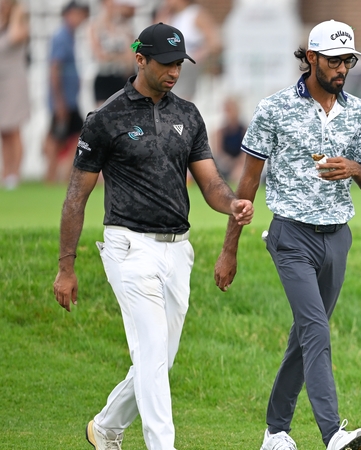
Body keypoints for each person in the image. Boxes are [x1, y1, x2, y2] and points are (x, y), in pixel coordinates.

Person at [52, 22, 254, 450]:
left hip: (178, 250)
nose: (174, 72)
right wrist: (65, 267)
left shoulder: (188, 115)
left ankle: (105, 426)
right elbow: (76, 198)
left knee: (160, 357)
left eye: (179, 63)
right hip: (129, 248)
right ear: (140, 59)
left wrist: (232, 204)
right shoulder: (107, 119)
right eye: (165, 63)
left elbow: (211, 183)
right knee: (150, 353)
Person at [213, 19, 361, 450]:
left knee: (306, 335)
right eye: (333, 60)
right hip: (290, 236)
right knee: (315, 331)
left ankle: (275, 432)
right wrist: (228, 250)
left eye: (347, 60)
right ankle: (333, 434)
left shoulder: (359, 111)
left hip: (338, 237)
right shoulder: (274, 109)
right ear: (311, 58)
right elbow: (247, 186)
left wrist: (354, 169)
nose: (342, 68)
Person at [42, 0, 89, 184]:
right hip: (64, 100)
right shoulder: (61, 36)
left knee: (69, 136)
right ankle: (51, 176)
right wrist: (59, 101)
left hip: (69, 99)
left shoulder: (69, 35)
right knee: (57, 138)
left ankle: (58, 174)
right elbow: (54, 69)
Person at [155, 0, 221, 101]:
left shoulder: (195, 14)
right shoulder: (170, 16)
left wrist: (198, 55)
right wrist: (163, 14)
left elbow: (215, 43)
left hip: (187, 66)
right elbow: (154, 37)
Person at [0, 0, 29, 190]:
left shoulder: (19, 23)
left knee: (13, 129)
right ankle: (6, 172)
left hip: (14, 83)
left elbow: (14, 37)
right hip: (1, 84)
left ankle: (15, 174)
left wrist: (17, 14)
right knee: (3, 131)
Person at [88, 0, 137, 107]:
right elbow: (100, 56)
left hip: (122, 77)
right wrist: (121, 56)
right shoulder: (95, 26)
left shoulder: (125, 26)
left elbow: (133, 50)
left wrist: (114, 56)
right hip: (105, 77)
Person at [212, 96, 246, 184]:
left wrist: (237, 163)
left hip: (239, 164)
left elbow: (245, 154)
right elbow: (218, 152)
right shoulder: (219, 132)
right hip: (224, 164)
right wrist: (229, 162)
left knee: (239, 172)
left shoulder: (244, 130)